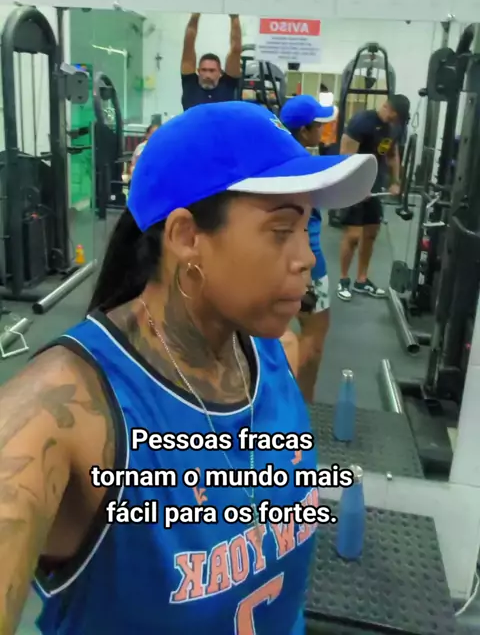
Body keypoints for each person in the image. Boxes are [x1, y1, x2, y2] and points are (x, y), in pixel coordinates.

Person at [0, 101, 376, 635]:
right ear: (185, 237)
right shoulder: (59, 416)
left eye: (307, 226)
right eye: (280, 229)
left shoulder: (274, 356)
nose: (308, 257)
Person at [280, 95, 338, 404]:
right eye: (318, 126)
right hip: (309, 262)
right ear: (304, 131)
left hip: (278, 259)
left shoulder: (276, 160)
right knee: (313, 339)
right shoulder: (307, 166)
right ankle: (302, 409)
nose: (322, 131)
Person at [337, 94, 410, 302]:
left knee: (370, 234)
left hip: (375, 185)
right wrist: (357, 186)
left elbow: (392, 154)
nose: (392, 120)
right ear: (385, 106)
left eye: (396, 118)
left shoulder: (395, 127)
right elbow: (345, 156)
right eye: (391, 115)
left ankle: (361, 280)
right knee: (353, 236)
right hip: (353, 186)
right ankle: (343, 280)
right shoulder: (362, 122)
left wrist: (396, 181)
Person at [181, 13, 242, 110]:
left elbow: (236, 49)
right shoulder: (190, 84)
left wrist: (234, 17)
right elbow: (188, 44)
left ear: (220, 72)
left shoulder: (227, 85)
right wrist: (195, 15)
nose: (207, 75)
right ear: (198, 71)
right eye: (204, 70)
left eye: (212, 70)